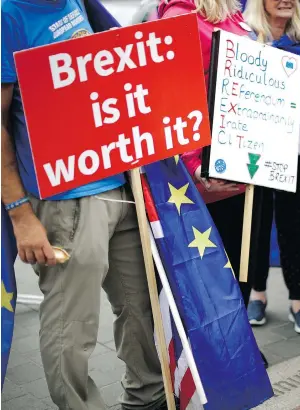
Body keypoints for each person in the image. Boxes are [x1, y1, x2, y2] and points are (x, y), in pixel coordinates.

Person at [1, 1, 167, 409]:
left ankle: (148, 398)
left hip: (119, 180)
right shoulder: (9, 16)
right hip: (65, 201)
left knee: (141, 310)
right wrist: (20, 213)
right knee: (71, 326)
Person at [158, 0, 269, 368]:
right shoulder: (180, 15)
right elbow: (172, 94)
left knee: (244, 263)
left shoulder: (231, 12)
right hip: (214, 170)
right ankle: (219, 360)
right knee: (216, 272)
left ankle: (239, 348)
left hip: (247, 164)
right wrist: (195, 163)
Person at [244, 0, 300, 335]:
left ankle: (298, 301)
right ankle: (257, 294)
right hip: (256, 151)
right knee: (257, 224)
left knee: (292, 226)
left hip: (297, 150)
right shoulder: (244, 38)